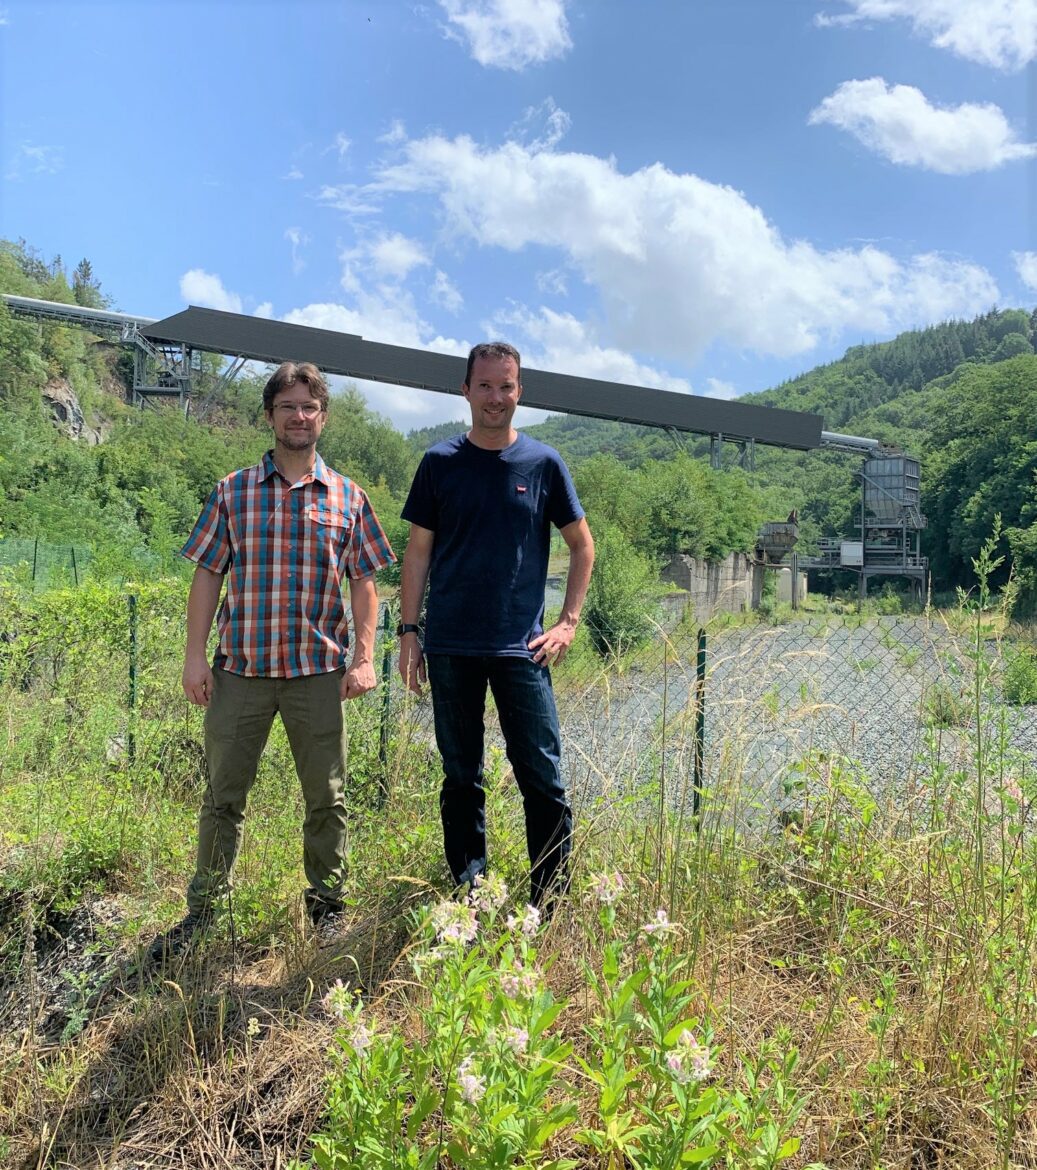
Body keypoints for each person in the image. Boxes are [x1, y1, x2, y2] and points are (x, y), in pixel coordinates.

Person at [149, 361, 396, 961]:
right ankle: (204, 912)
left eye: (309, 406)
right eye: (288, 406)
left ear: (323, 417)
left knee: (327, 798)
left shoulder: (348, 497)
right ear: (269, 416)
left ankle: (327, 907)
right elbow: (208, 575)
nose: (299, 416)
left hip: (318, 674)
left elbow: (365, 583)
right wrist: (194, 658)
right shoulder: (232, 492)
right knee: (222, 797)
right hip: (241, 672)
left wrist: (365, 657)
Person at [398, 342, 594, 912]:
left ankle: (548, 906)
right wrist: (409, 634)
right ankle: (471, 898)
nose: (495, 397)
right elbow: (417, 553)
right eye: (484, 385)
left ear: (519, 392)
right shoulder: (439, 463)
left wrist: (568, 622)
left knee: (543, 779)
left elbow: (582, 546)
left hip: (522, 648)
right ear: (465, 390)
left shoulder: (543, 463)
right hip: (450, 645)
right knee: (461, 777)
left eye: (505, 386)